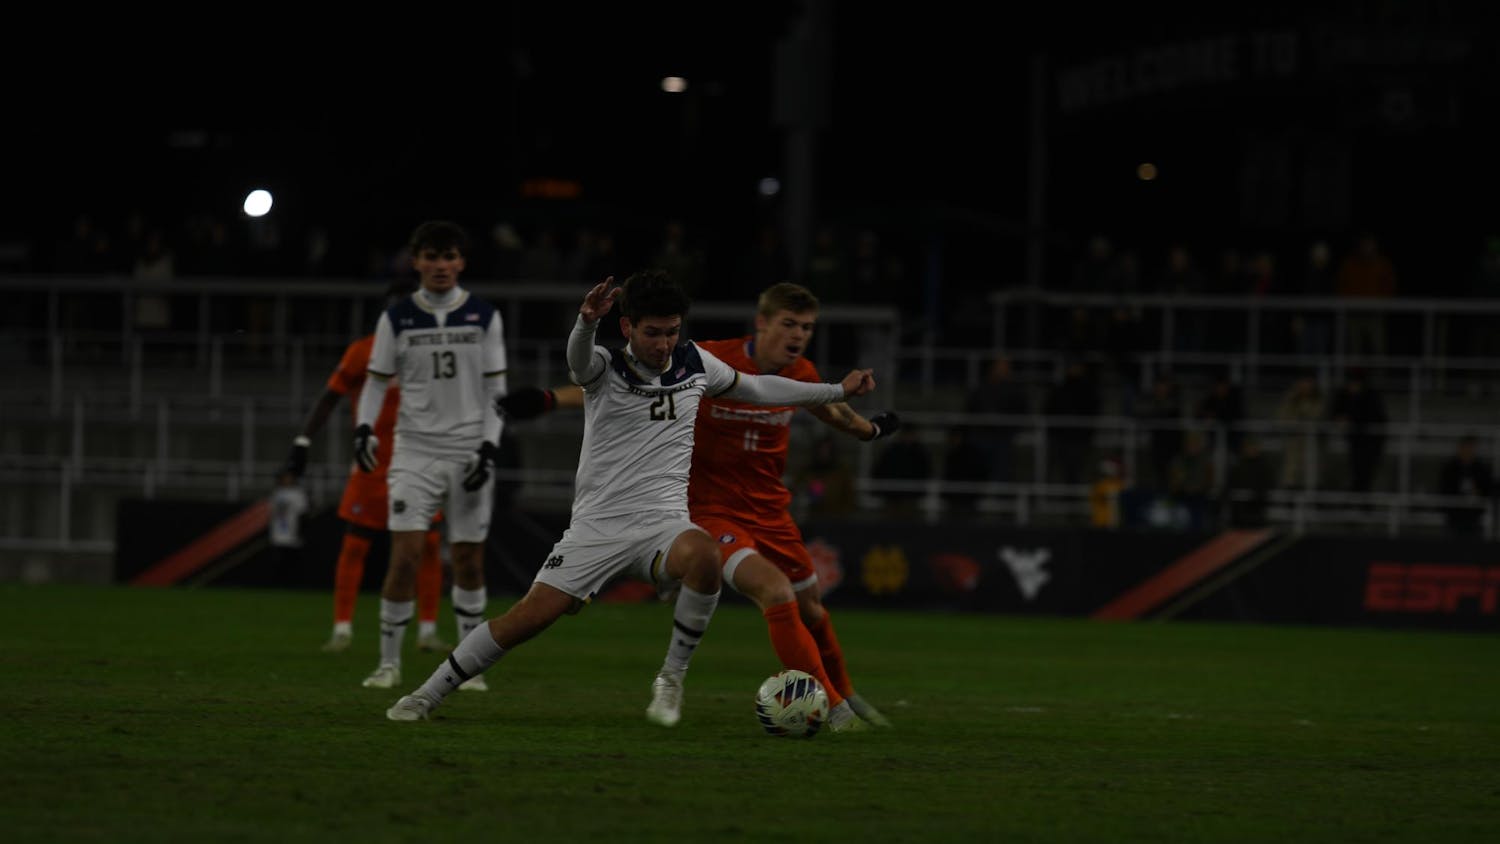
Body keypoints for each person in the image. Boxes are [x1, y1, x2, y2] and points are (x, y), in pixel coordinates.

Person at [384, 272, 877, 728]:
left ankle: (670, 679)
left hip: (663, 523)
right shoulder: (605, 367)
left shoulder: (694, 362)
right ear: (627, 327)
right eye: (652, 332)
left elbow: (760, 388)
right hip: (598, 527)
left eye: (671, 331)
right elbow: (577, 361)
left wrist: (835, 389)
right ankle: (427, 694)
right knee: (526, 620)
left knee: (705, 554)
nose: (663, 344)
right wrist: (584, 322)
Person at [353, 221, 506, 692]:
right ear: (415, 261)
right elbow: (376, 381)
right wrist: (363, 428)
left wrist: (488, 445)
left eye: (449, 257)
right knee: (406, 557)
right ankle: (388, 664)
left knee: (468, 559)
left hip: (467, 450)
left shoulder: (484, 316)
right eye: (431, 257)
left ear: (461, 262)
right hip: (414, 451)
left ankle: (468, 667)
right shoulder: (397, 317)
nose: (441, 266)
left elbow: (495, 389)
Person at [281, 278, 449, 654]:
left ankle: (426, 631)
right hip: (372, 466)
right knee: (356, 545)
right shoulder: (364, 351)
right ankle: (342, 629)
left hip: (420, 464)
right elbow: (329, 399)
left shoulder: (435, 352)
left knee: (430, 546)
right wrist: (302, 440)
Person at [1437, 435, 1494, 537]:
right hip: (1454, 514)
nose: (1468, 451)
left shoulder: (1481, 469)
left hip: (1474, 515)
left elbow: (1488, 488)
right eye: (1465, 448)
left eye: (1470, 448)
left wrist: (1478, 492)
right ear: (1460, 448)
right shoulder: (1450, 468)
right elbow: (1444, 489)